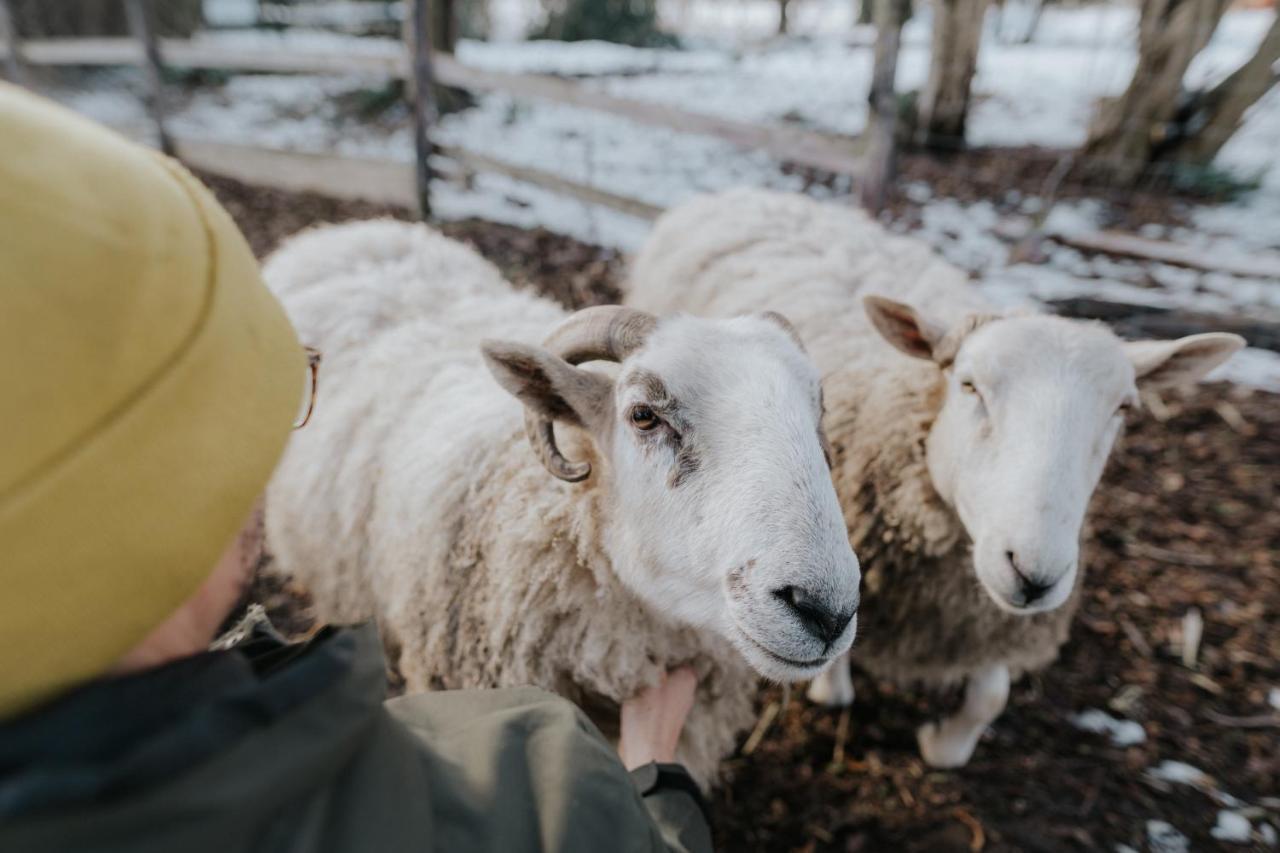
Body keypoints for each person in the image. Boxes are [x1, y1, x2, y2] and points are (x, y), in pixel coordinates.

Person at [0, 82, 712, 853]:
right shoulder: (525, 791)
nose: (275, 454)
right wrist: (655, 785)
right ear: (150, 494)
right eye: (253, 401)